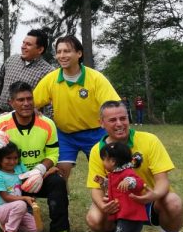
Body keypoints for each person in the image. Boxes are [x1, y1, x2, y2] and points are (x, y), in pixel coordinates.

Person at [86, 100, 183, 232]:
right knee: (94, 218)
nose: (119, 124)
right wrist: (103, 205)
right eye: (112, 120)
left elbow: (162, 181)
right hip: (120, 205)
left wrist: (151, 196)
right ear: (101, 123)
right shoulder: (98, 150)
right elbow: (95, 187)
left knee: (174, 202)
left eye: (123, 118)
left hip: (149, 202)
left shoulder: (149, 140)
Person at [0, 82, 74, 232]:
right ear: (11, 103)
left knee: (58, 182)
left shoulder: (47, 123)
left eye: (29, 99)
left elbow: (53, 155)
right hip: (12, 181)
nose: (26, 103)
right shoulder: (0, 122)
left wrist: (40, 171)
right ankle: (6, 220)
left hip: (37, 177)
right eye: (20, 100)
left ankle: (60, 231)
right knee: (13, 205)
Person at [32, 34, 120, 183]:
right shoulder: (51, 79)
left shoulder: (95, 78)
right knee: (60, 172)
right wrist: (32, 110)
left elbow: (113, 106)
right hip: (65, 134)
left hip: (96, 133)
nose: (62, 55)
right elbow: (31, 103)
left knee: (106, 171)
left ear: (79, 53)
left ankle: (105, 203)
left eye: (67, 51)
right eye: (59, 52)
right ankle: (62, 204)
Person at [97, 141, 148, 232]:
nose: (103, 163)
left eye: (104, 159)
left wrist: (130, 181)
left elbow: (138, 182)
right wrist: (104, 182)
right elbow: (114, 187)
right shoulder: (115, 174)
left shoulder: (127, 173)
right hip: (127, 214)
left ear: (112, 161)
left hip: (130, 215)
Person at [0, 29, 53, 118]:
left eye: (28, 44)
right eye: (23, 43)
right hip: (1, 115)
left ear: (40, 49)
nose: (23, 46)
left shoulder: (48, 72)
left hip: (27, 120)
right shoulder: (12, 60)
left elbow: (49, 103)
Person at [0, 142, 39, 232]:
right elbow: (5, 197)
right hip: (0, 209)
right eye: (8, 158)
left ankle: (7, 224)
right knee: (20, 204)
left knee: (36, 227)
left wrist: (46, 172)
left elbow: (31, 176)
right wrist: (25, 198)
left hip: (16, 208)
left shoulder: (19, 168)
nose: (12, 162)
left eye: (15, 158)